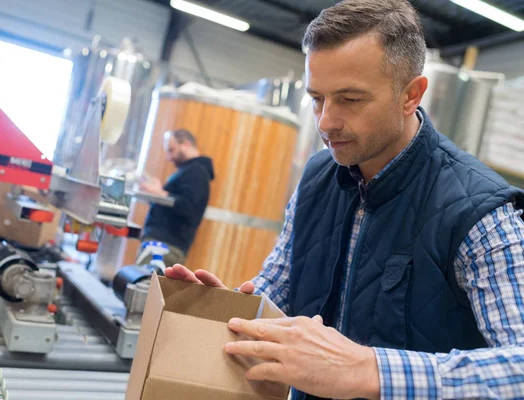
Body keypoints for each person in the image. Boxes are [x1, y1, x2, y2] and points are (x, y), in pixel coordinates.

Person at [164, 1, 524, 399]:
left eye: (350, 99)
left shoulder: (480, 213)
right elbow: (277, 291)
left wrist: (370, 370)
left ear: (411, 94)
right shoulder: (317, 179)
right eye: (317, 98)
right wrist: (229, 307)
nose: (325, 121)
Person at [137, 129, 214, 267]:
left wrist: (161, 194)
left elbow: (189, 208)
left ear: (186, 144)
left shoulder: (196, 172)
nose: (168, 157)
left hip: (165, 248)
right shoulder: (189, 171)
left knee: (146, 286)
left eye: (171, 150)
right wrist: (158, 195)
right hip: (161, 246)